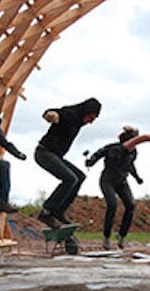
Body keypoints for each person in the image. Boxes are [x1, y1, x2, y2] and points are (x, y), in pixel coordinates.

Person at [35, 98, 101, 229]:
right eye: (90, 118)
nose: (91, 122)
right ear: (85, 112)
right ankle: (46, 212)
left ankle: (59, 211)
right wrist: (51, 115)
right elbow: (55, 112)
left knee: (80, 177)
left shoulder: (79, 122)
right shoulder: (71, 114)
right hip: (44, 153)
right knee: (70, 179)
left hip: (56, 156)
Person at [85, 126, 144, 250]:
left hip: (122, 182)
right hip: (107, 181)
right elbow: (100, 152)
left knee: (131, 205)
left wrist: (137, 177)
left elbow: (130, 165)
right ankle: (106, 237)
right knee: (112, 204)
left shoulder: (133, 152)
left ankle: (121, 235)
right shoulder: (113, 148)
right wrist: (91, 160)